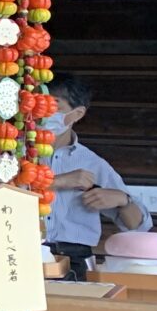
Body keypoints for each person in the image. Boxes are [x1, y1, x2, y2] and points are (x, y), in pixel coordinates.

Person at [44, 75, 151, 277]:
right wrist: (60, 181)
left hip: (75, 259)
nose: (45, 113)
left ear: (77, 113)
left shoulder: (92, 163)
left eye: (54, 106)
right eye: (40, 105)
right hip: (22, 250)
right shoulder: (17, 152)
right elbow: (0, 192)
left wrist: (122, 200)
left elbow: (138, 225)